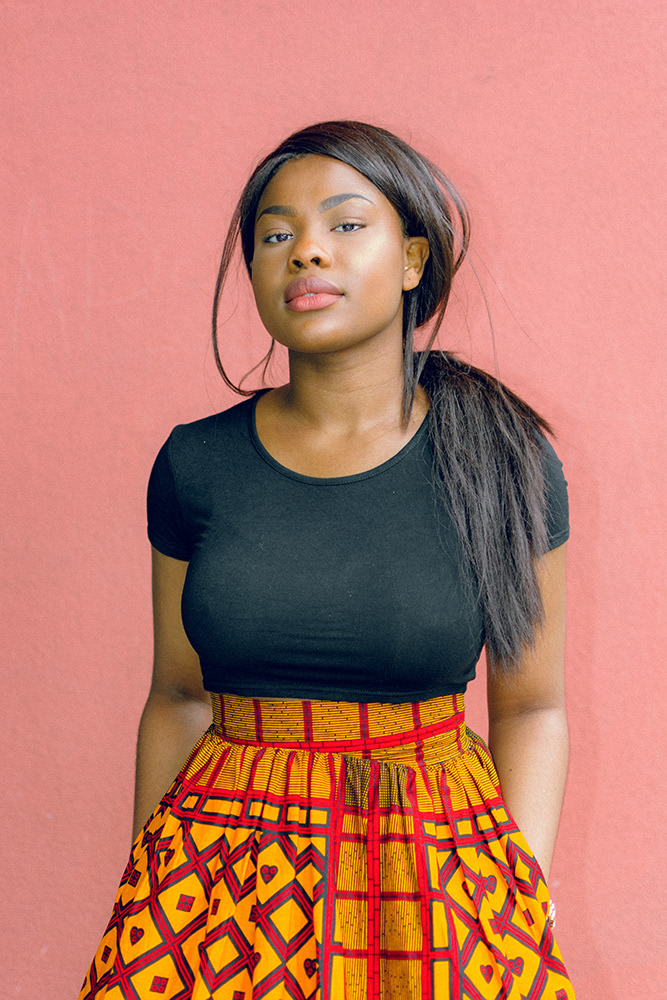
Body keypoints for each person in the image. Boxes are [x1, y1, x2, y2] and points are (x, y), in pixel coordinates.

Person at [79, 121, 575, 1000]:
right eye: (276, 234)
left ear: (414, 259)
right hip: (215, 875)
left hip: (436, 869)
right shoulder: (196, 464)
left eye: (345, 225)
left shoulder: (504, 459)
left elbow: (531, 708)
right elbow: (179, 694)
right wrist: (146, 896)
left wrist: (512, 901)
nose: (306, 251)